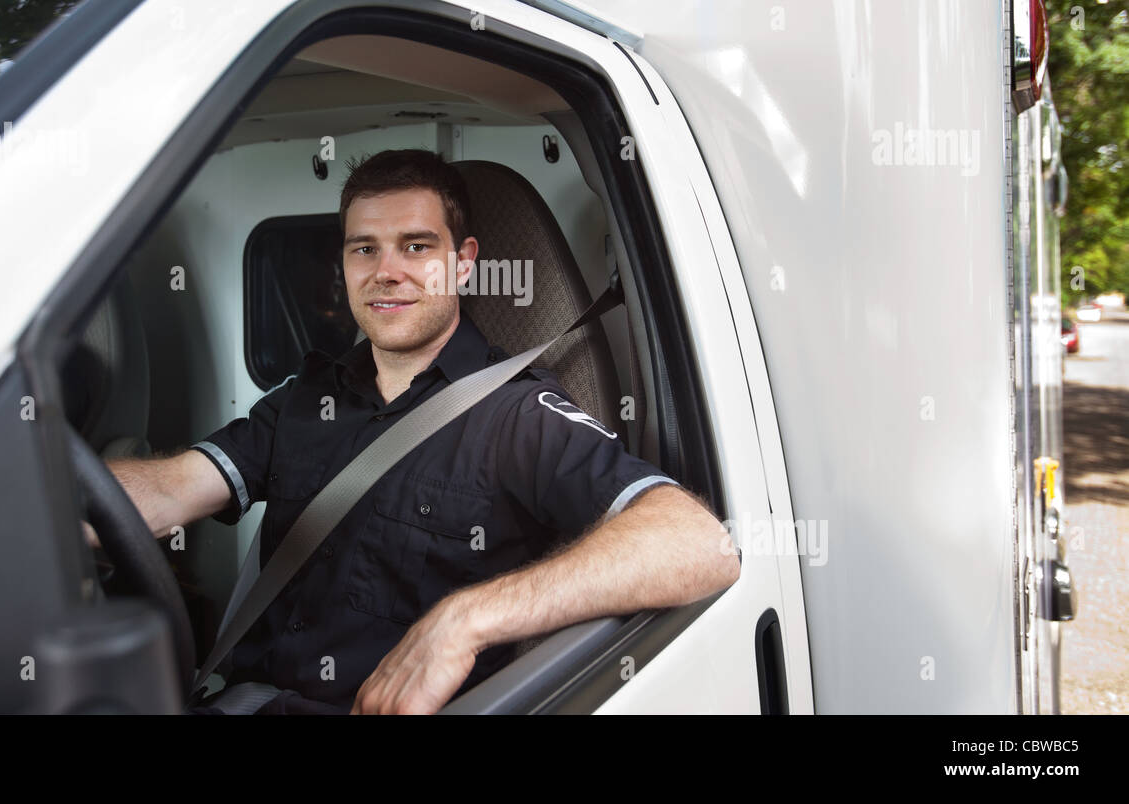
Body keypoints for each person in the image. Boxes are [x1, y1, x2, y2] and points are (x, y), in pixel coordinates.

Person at [102, 148, 741, 714]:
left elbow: (697, 545)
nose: (387, 271)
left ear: (462, 264)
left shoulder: (517, 415)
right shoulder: (307, 397)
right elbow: (168, 490)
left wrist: (467, 618)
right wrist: (43, 508)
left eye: (416, 246)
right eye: (364, 249)